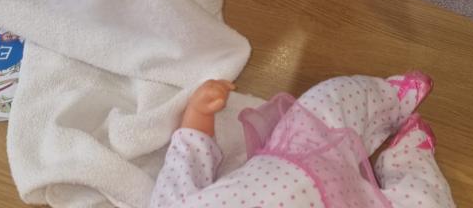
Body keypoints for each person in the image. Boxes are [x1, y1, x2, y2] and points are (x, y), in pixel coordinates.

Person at [150, 73, 457, 207]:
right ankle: (410, 154)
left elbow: (187, 157)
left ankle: (390, 98)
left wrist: (198, 112)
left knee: (330, 96)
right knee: (429, 201)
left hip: (298, 153)